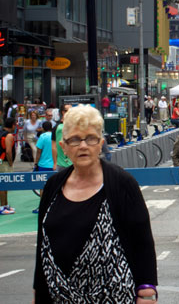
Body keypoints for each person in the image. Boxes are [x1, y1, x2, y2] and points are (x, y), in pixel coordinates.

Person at [33, 105, 157, 302]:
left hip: (113, 296)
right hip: (58, 296)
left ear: (101, 143)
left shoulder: (122, 184)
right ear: (64, 147)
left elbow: (142, 241)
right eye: (74, 139)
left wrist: (147, 292)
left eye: (90, 138)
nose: (83, 146)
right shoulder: (53, 186)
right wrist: (37, 292)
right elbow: (42, 245)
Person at [0, 118, 16, 215]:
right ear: (13, 125)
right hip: (5, 163)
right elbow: (8, 151)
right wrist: (10, 163)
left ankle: (5, 205)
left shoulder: (1, 132)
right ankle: (2, 207)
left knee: (4, 184)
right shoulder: (9, 135)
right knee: (3, 185)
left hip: (1, 162)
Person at [51, 104, 72, 172]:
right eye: (69, 110)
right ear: (63, 112)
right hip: (61, 165)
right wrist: (55, 163)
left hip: (74, 163)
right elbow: (54, 147)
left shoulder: (76, 126)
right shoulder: (57, 127)